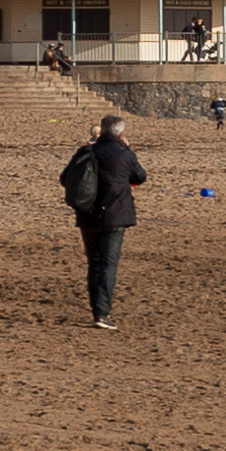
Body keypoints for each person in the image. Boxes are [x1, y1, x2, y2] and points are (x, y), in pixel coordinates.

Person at [60, 113, 146, 329]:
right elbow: (140, 177)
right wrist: (127, 149)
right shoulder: (124, 154)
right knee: (107, 263)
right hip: (115, 215)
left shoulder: (87, 151)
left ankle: (97, 310)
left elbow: (65, 178)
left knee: (95, 263)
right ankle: (102, 314)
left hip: (88, 214)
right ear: (121, 133)